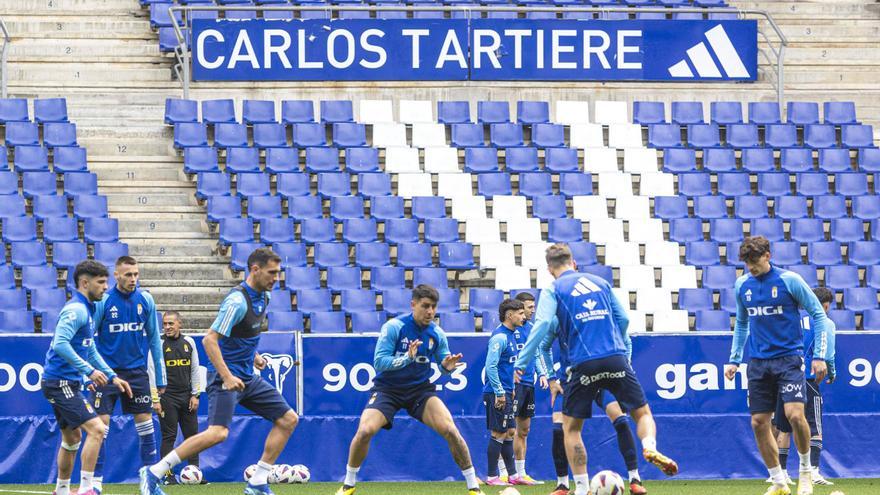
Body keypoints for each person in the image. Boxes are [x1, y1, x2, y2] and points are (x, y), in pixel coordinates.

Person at [515, 243, 678, 495]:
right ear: (574, 263)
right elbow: (623, 319)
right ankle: (649, 445)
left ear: (549, 270)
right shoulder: (600, 283)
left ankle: (581, 488)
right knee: (642, 414)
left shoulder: (554, 289)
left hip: (582, 364)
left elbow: (545, 323)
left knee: (571, 429)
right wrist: (616, 347)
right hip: (616, 358)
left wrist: (522, 362)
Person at [141, 248, 299, 495]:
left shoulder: (264, 297)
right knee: (218, 433)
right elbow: (210, 340)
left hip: (246, 377)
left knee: (288, 419)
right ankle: (154, 472)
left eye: (278, 273)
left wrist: (255, 357)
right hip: (226, 378)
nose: (276, 278)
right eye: (271, 273)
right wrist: (227, 376)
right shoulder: (236, 301)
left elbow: (242, 335)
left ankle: (258, 481)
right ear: (255, 270)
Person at [335, 285, 485, 495]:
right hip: (388, 390)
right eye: (425, 306)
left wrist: (446, 368)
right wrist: (406, 359)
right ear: (413, 305)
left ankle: (474, 488)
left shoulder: (437, 334)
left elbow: (444, 363)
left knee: (451, 430)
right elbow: (379, 362)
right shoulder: (394, 327)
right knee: (365, 431)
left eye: (433, 307)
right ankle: (348, 485)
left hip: (420, 391)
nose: (430, 312)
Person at [723, 236, 834, 495]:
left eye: (755, 261)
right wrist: (734, 359)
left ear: (767, 256)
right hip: (759, 363)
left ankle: (806, 471)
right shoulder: (742, 285)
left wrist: (819, 355)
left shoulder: (789, 281)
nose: (751, 267)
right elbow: (741, 324)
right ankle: (778, 481)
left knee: (796, 415)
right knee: (759, 422)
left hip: (789, 359)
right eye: (747, 262)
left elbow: (818, 314)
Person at [41, 260, 132, 495]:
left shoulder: (88, 309)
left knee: (72, 440)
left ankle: (61, 490)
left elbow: (90, 350)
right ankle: (86, 489)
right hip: (60, 383)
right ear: (84, 283)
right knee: (98, 430)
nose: (105, 287)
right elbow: (60, 343)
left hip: (63, 382)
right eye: (101, 282)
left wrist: (112, 376)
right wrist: (89, 371)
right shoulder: (76, 310)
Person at [91, 256, 166, 491]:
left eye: (136, 274)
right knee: (100, 428)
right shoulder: (103, 301)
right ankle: (95, 484)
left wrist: (160, 378)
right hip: (106, 374)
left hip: (137, 373)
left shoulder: (146, 299)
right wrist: (90, 373)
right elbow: (88, 339)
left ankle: (150, 484)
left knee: (146, 425)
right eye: (128, 275)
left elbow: (154, 339)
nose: (133, 279)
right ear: (116, 275)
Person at [546, 342, 647, 495]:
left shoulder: (603, 320)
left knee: (620, 419)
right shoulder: (557, 319)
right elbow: (543, 345)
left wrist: (626, 362)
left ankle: (635, 479)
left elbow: (625, 337)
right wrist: (551, 378)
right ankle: (562, 485)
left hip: (602, 378)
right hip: (570, 380)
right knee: (558, 429)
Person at [771, 287, 837, 487]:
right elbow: (828, 353)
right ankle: (814, 471)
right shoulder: (825, 323)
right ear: (825, 305)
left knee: (784, 428)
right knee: (814, 426)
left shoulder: (795, 321)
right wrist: (832, 372)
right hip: (808, 379)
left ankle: (780, 473)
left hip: (786, 377)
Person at [498, 292, 548, 486]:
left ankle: (520, 473)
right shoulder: (505, 331)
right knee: (506, 429)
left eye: (533, 307)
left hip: (528, 383)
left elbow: (535, 354)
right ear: (517, 309)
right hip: (513, 385)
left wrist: (542, 374)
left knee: (524, 430)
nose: (532, 311)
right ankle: (502, 472)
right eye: (528, 307)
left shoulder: (532, 329)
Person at [151, 311, 202, 485]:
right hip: (167, 397)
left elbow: (195, 369)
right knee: (168, 436)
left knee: (192, 436)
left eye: (171, 324)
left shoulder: (190, 342)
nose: (167, 327)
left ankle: (195, 473)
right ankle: (167, 476)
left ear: (180, 324)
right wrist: (155, 399)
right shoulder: (158, 343)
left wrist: (196, 394)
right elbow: (151, 371)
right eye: (165, 324)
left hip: (187, 396)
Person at [483, 298, 527, 486]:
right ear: (510, 315)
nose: (524, 317)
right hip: (496, 393)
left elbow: (505, 367)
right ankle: (492, 476)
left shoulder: (511, 335)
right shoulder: (500, 337)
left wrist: (511, 390)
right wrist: (500, 393)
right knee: (498, 433)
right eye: (521, 313)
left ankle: (513, 475)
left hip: (507, 391)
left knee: (510, 431)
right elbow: (490, 366)